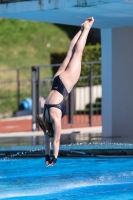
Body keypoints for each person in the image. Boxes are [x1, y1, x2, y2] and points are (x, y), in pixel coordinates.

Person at [36, 17, 94, 167]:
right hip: (56, 81)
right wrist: (46, 157)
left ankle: (86, 29)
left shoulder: (54, 119)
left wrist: (54, 159)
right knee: (69, 53)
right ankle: (80, 30)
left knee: (77, 54)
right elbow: (47, 142)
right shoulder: (45, 118)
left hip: (65, 84)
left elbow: (55, 140)